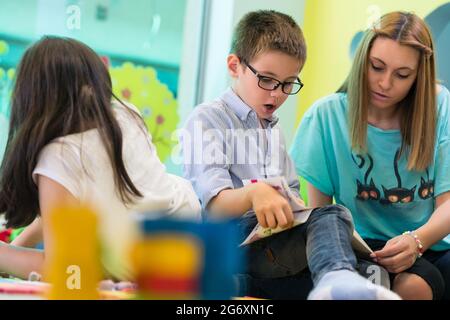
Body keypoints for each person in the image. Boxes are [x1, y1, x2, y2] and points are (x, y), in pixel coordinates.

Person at [181, 10, 399, 300]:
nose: (278, 94)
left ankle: (243, 285)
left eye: (288, 83)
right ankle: (331, 278)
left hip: (268, 246)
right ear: (235, 66)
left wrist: (289, 205)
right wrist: (254, 194)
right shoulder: (207, 119)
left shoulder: (272, 129)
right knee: (332, 214)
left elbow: (292, 197)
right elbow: (215, 207)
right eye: (267, 80)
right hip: (229, 243)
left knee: (371, 271)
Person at [0, 36, 201, 280]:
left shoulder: (57, 158)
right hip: (190, 237)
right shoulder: (126, 115)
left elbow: (64, 269)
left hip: (139, 267)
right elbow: (76, 202)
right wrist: (21, 244)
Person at [290, 11, 450, 300]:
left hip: (432, 241)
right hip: (362, 247)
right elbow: (322, 217)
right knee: (412, 287)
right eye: (377, 67)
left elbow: (448, 205)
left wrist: (417, 241)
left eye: (402, 75)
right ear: (363, 60)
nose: (385, 83)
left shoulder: (440, 105)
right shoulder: (326, 116)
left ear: (419, 77)